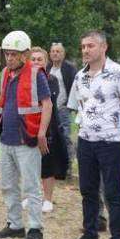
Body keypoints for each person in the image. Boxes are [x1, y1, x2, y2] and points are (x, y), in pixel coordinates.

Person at [65, 30, 120, 239]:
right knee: (87, 190)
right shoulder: (80, 76)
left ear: (104, 47)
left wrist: (116, 129)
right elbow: (80, 106)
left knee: (113, 193)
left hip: (109, 142)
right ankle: (90, 235)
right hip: (85, 141)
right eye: (83, 46)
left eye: (90, 46)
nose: (85, 50)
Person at [0, 31, 52, 239]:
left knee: (31, 186)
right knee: (7, 184)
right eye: (7, 54)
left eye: (13, 54)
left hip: (27, 139)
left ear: (25, 54)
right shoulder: (5, 74)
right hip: (6, 138)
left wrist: (42, 132)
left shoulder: (36, 74)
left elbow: (47, 104)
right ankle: (15, 224)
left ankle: (35, 229)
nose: (9, 58)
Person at [30, 47, 69, 213]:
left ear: (45, 62)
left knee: (47, 163)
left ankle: (47, 199)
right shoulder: (24, 80)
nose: (36, 62)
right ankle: (31, 195)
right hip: (28, 126)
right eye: (33, 59)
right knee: (29, 164)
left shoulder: (51, 79)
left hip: (49, 127)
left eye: (40, 59)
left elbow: (46, 102)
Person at [46, 42, 77, 164]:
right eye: (53, 51)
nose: (55, 54)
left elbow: (75, 87)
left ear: (63, 54)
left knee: (65, 136)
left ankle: (68, 163)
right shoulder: (47, 68)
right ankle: (53, 162)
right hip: (49, 109)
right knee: (50, 136)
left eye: (58, 51)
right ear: (50, 54)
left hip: (63, 108)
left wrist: (70, 105)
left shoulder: (69, 68)